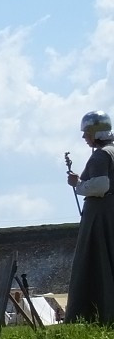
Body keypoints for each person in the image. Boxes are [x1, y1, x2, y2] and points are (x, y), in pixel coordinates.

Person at [65, 110, 114, 324]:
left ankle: (94, 314)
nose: (84, 137)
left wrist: (78, 184)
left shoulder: (101, 155)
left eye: (86, 132)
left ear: (95, 132)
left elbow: (102, 185)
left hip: (101, 216)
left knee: (96, 262)